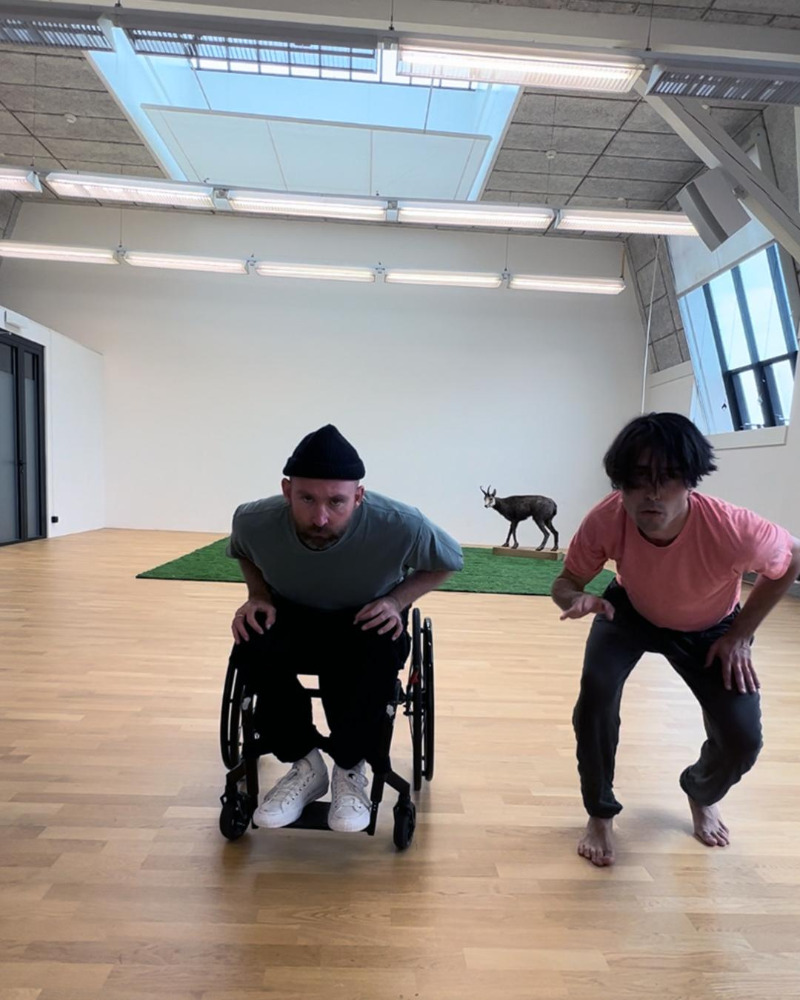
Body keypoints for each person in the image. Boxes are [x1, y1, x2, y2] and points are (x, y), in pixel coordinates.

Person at [551, 412, 800, 867]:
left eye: (667, 477)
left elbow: (793, 557)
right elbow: (565, 582)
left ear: (690, 481)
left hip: (712, 626)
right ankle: (600, 813)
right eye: (638, 478)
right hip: (628, 611)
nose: (652, 493)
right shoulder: (606, 518)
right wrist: (577, 597)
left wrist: (741, 635)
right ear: (620, 484)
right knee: (596, 695)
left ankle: (701, 791)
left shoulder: (732, 528)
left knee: (742, 738)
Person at [226, 424, 462, 833]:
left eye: (336, 501)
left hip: (363, 618)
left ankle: (350, 767)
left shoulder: (400, 522)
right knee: (251, 639)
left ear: (358, 496)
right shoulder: (253, 520)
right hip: (292, 613)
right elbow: (243, 551)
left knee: (375, 651)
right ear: (287, 491)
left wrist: (396, 602)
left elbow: (449, 561)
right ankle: (305, 764)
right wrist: (258, 594)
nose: (320, 517)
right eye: (307, 499)